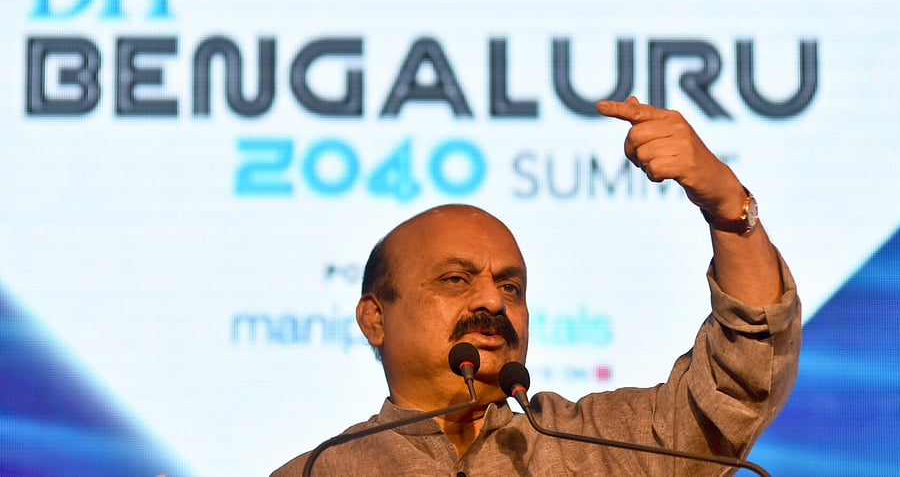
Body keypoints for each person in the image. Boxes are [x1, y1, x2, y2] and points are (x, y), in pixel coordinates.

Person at [271, 97, 801, 476]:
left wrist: (729, 209)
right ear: (375, 318)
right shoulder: (320, 471)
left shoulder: (607, 446)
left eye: (511, 287)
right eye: (455, 280)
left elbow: (740, 383)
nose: (491, 301)